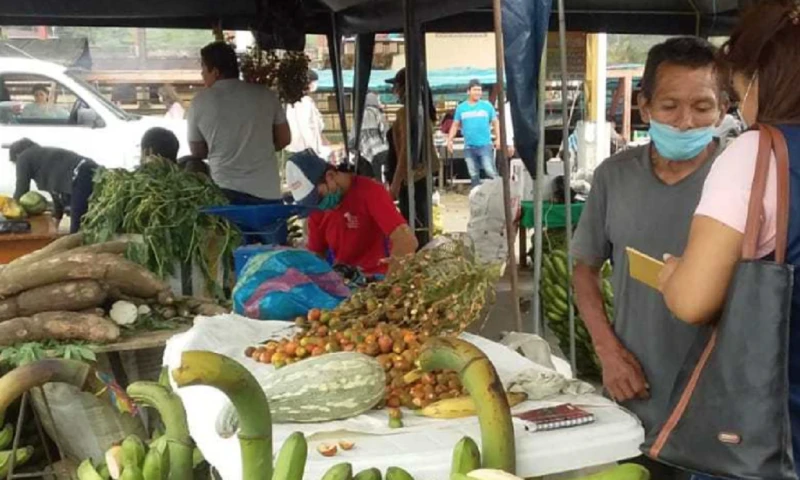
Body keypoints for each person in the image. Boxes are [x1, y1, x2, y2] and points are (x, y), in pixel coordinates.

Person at [571, 37, 729, 479]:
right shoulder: (614, 177)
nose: (685, 122)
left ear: (722, 110)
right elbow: (584, 269)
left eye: (702, 107)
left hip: (718, 405)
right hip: (635, 394)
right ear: (644, 107)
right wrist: (609, 353)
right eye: (670, 106)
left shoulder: (738, 182)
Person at [658, 3, 800, 478]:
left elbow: (695, 301)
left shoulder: (759, 154)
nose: (742, 105)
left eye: (739, 91)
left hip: (772, 429)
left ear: (763, 76)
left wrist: (673, 275)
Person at [187, 41, 291, 205]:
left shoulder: (199, 102)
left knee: (230, 232)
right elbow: (284, 139)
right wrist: (259, 147)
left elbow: (197, 151)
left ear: (215, 72)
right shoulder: (265, 95)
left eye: (203, 69)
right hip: (267, 190)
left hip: (225, 191)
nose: (202, 75)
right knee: (268, 231)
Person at [286, 150, 418, 276]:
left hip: (379, 277)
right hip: (344, 280)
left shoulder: (370, 192)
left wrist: (390, 285)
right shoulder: (317, 209)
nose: (318, 206)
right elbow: (316, 255)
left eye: (319, 197)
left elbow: (406, 241)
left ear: (330, 176)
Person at [385, 68, 440, 247]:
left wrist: (395, 182)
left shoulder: (407, 113)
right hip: (421, 175)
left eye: (396, 86)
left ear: (403, 87)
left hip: (412, 178)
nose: (394, 91)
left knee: (413, 224)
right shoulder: (422, 110)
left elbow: (405, 152)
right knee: (421, 222)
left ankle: (417, 261)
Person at [9, 138, 98, 234]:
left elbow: (22, 188)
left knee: (77, 230)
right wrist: (57, 219)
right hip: (92, 170)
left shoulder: (23, 157)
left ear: (16, 155)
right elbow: (55, 192)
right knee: (88, 220)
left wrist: (11, 210)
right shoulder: (45, 156)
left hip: (80, 175)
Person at [446, 79, 499, 187]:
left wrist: (499, 138)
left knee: (489, 170)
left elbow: (495, 122)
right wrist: (450, 140)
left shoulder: (487, 106)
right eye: (475, 90)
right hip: (469, 146)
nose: (478, 92)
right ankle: (476, 195)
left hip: (485, 145)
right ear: (468, 92)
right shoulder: (461, 108)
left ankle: (498, 190)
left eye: (479, 90)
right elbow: (455, 125)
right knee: (473, 173)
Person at [285, 70, 329, 159]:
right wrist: (314, 149)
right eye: (313, 82)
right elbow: (305, 127)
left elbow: (316, 127)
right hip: (305, 149)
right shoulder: (304, 102)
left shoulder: (293, 102)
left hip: (300, 148)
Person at [349, 92, 389, 179]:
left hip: (365, 154)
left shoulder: (359, 116)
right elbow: (385, 132)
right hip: (380, 151)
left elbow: (352, 140)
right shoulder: (377, 113)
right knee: (381, 177)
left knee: (370, 179)